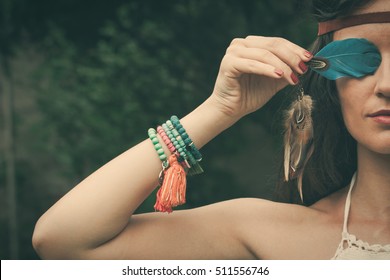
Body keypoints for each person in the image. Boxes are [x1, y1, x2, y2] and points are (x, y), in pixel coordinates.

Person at [32, 0, 390, 259]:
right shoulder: (277, 238)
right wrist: (220, 108)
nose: (387, 84)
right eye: (364, 58)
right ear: (331, 79)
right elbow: (64, 240)